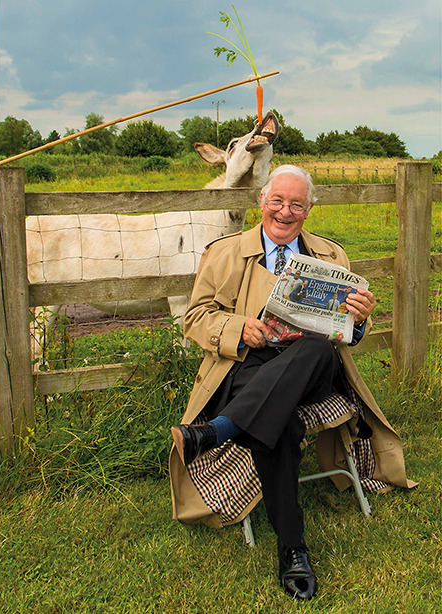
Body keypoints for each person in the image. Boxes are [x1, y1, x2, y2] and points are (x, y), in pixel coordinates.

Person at [169, 165, 415, 600]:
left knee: (317, 348)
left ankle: (220, 430)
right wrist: (236, 327)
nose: (285, 212)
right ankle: (293, 548)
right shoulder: (224, 252)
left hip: (314, 367)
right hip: (247, 364)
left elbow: (348, 333)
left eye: (297, 204)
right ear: (261, 202)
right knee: (278, 423)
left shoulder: (330, 255)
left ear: (310, 208)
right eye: (277, 201)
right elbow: (195, 317)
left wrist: (359, 318)